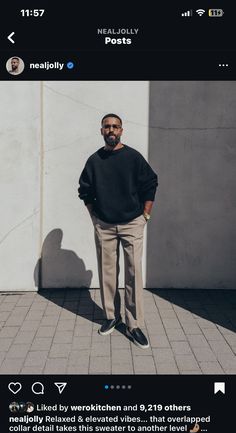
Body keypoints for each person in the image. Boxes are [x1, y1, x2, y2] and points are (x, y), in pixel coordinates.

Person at [78, 114, 158, 348]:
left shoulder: (133, 157)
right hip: (104, 224)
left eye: (115, 126)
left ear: (122, 130)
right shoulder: (94, 160)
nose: (111, 129)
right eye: (107, 126)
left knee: (134, 273)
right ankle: (112, 316)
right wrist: (94, 216)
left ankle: (134, 324)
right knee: (107, 273)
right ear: (101, 130)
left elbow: (151, 183)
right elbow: (84, 190)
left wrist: (146, 215)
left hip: (132, 222)